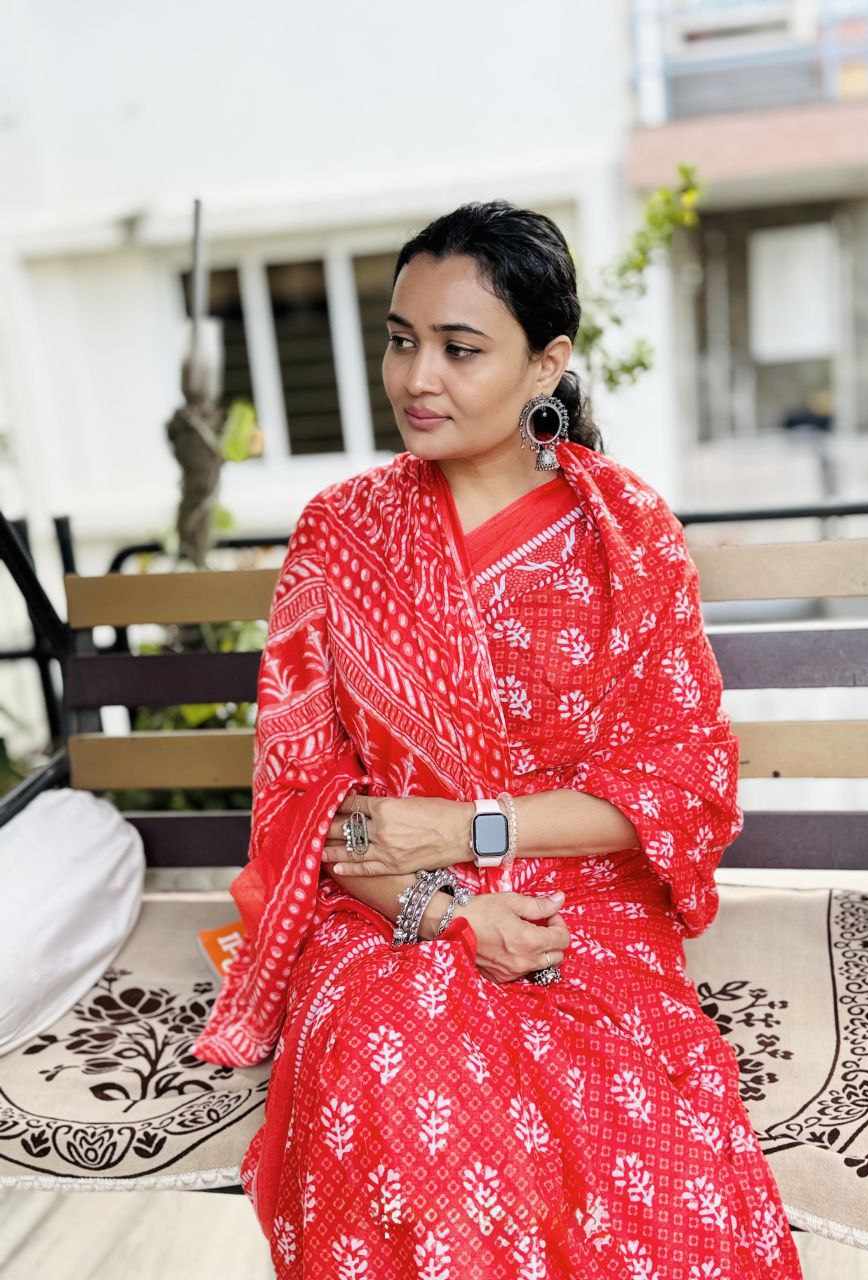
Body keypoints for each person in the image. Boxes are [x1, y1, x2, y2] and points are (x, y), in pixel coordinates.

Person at [190, 200, 803, 1279]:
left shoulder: (624, 534)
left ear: (545, 364)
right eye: (400, 339)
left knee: (652, 1178)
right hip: (390, 916)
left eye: (459, 348)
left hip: (586, 909)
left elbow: (678, 785)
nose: (416, 377)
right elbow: (310, 801)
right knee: (407, 1116)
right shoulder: (342, 535)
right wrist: (447, 913)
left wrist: (465, 828)